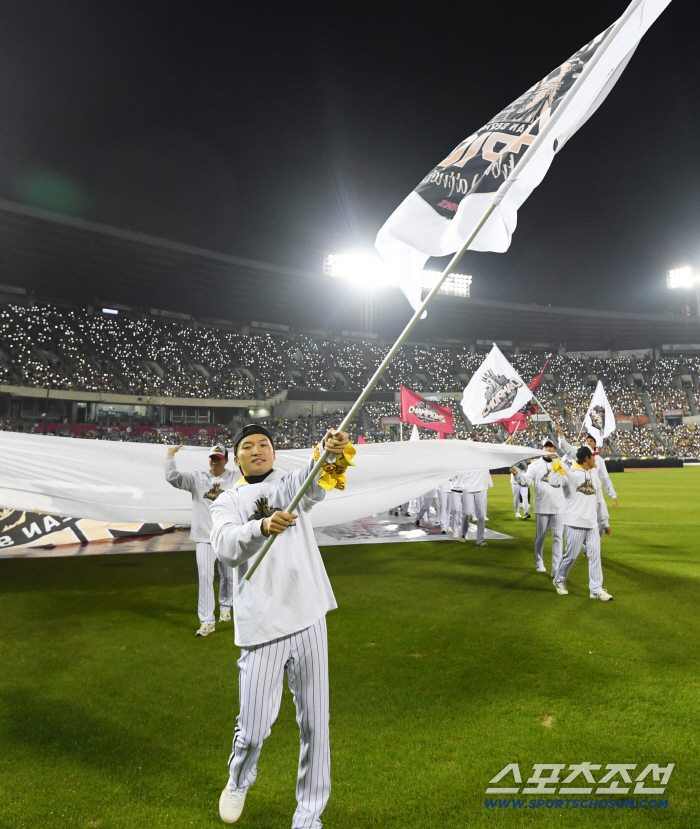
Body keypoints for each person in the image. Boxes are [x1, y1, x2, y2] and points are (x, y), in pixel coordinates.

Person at [210, 423, 353, 827]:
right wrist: (261, 526)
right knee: (253, 728)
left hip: (307, 614)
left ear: (273, 452)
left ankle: (309, 815)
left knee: (315, 724)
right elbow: (224, 545)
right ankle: (239, 778)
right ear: (236, 457)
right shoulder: (227, 500)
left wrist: (330, 449)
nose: (258, 451)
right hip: (261, 624)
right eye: (248, 446)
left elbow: (317, 479)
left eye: (265, 445)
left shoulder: (292, 481)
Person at [165, 442, 236, 636]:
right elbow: (172, 478)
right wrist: (171, 456)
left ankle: (226, 606)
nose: (215, 462)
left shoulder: (236, 478)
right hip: (205, 537)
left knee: (229, 576)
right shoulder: (197, 478)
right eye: (212, 458)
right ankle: (206, 621)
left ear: (226, 461)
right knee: (205, 577)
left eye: (218, 459)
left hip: (227, 536)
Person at [546, 445, 613, 601]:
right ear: (586, 459)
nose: (596, 459)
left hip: (592, 524)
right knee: (571, 556)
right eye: (593, 457)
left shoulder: (594, 476)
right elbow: (553, 481)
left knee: (595, 556)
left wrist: (604, 521)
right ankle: (559, 579)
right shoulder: (570, 473)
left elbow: (599, 501)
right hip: (574, 522)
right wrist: (556, 465)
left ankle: (595, 589)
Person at [510, 438, 564, 575]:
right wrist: (517, 474)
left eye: (550, 447)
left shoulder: (560, 464)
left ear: (554, 448)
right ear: (541, 448)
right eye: (546, 447)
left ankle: (556, 568)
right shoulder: (534, 466)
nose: (548, 449)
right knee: (541, 536)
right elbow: (526, 482)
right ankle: (538, 561)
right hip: (542, 506)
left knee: (558, 537)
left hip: (558, 506)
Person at [554, 423, 619, 510]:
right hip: (579, 488)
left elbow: (605, 478)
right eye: (587, 440)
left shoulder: (599, 459)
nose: (588, 442)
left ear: (595, 445)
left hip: (594, 490)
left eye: (591, 441)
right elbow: (566, 448)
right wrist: (561, 436)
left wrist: (612, 494)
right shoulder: (578, 452)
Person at [450, 468, 492, 546]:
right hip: (468, 488)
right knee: (467, 513)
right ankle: (463, 533)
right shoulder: (468, 459)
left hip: (481, 489)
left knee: (481, 516)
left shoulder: (483, 459)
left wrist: (489, 482)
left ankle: (480, 540)